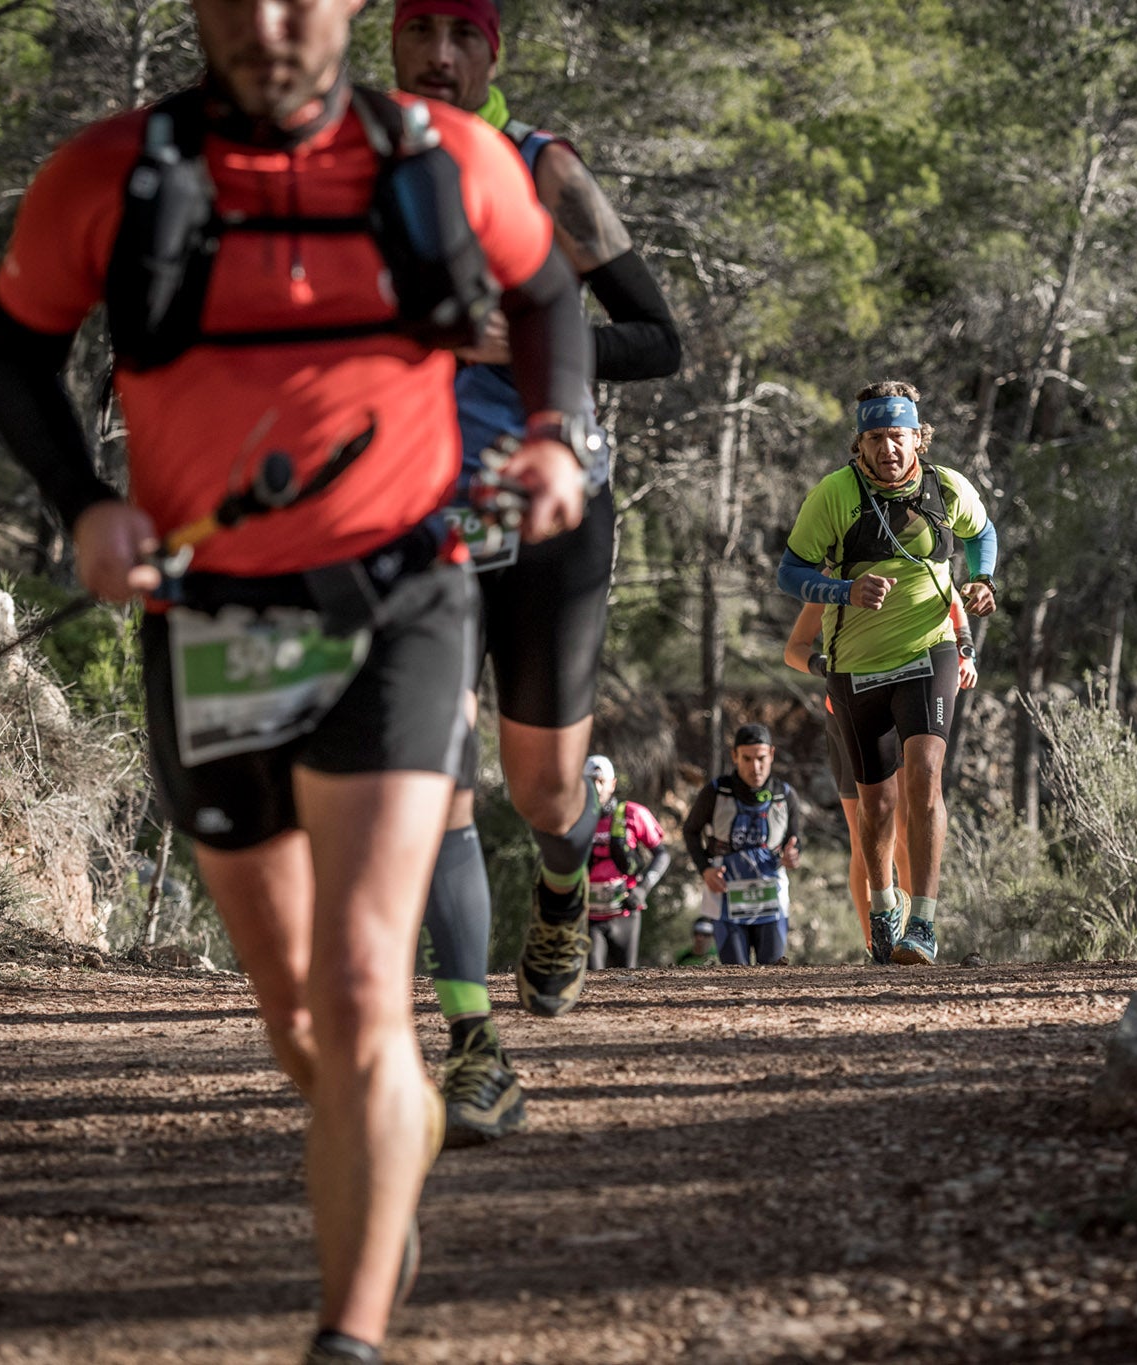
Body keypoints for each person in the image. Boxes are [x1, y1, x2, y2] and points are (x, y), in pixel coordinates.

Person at [0, 0, 594, 1354]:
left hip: (402, 598)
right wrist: (83, 503)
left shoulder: (440, 158)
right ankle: (383, 1140)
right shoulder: (110, 176)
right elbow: (17, 346)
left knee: (371, 987)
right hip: (211, 618)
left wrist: (556, 437)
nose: (270, 19)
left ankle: (351, 1334)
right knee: (303, 1015)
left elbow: (550, 292)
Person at [390, 0, 682, 1146]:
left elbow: (658, 340)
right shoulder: (350, 174)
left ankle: (570, 873)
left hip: (552, 516)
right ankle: (472, 1049)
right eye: (420, 30)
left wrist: (515, 342)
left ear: (492, 51)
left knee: (540, 794)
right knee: (436, 781)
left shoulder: (539, 170)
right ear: (393, 44)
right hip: (411, 522)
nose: (441, 55)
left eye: (464, 33)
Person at [776, 381, 997, 967]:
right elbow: (791, 573)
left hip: (930, 653)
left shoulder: (947, 488)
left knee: (925, 776)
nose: (887, 448)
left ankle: (922, 922)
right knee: (876, 806)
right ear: (860, 444)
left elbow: (982, 536)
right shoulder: (835, 495)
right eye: (875, 437)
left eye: (898, 435)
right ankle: (882, 906)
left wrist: (983, 581)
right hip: (856, 665)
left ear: (917, 438)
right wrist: (843, 588)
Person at [784, 594, 978, 957]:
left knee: (905, 826)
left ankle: (913, 936)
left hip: (904, 703)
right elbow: (793, 648)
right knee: (865, 836)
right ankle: (877, 944)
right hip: (845, 714)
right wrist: (826, 665)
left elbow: (954, 606)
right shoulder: (832, 578)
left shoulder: (914, 564)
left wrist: (966, 653)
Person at [682, 723, 802, 966]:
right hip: (727, 897)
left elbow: (797, 839)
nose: (755, 767)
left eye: (761, 758)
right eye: (746, 759)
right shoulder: (716, 792)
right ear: (735, 756)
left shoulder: (785, 794)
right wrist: (705, 869)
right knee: (734, 972)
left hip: (771, 898)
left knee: (773, 971)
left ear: (771, 754)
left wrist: (794, 855)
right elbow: (690, 831)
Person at [583, 754, 672, 969]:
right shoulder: (572, 818)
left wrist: (642, 889)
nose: (596, 787)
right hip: (589, 916)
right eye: (590, 781)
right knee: (593, 979)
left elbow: (662, 855)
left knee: (625, 979)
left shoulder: (633, 813)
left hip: (625, 913)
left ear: (612, 784)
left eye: (601, 781)